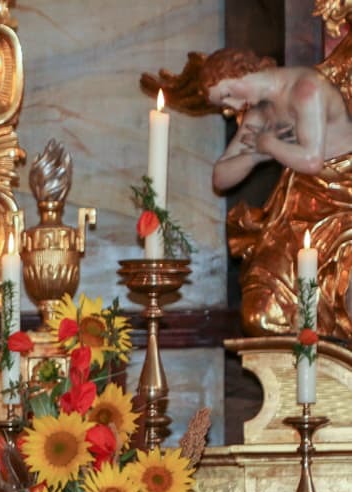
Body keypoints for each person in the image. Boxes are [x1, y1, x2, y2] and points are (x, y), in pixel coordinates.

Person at [148, 47, 352, 338]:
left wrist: (268, 145)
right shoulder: (260, 111)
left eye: (228, 94)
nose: (230, 107)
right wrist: (256, 155)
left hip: (342, 206)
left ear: (241, 71)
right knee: (260, 315)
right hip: (296, 209)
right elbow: (221, 176)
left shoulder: (306, 89)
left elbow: (311, 161)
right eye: (224, 103)